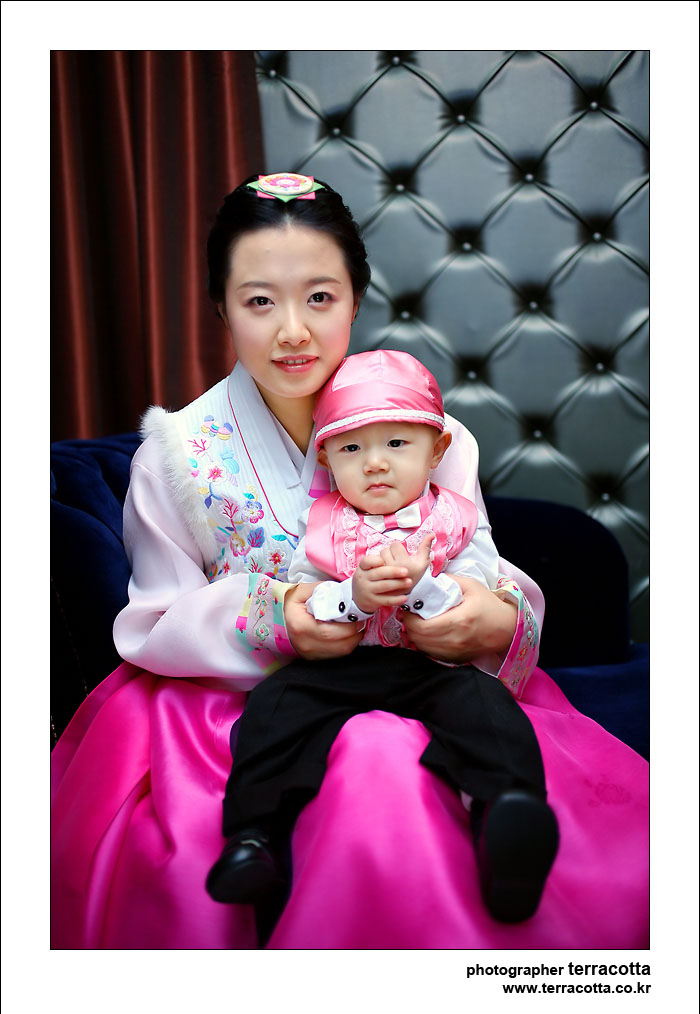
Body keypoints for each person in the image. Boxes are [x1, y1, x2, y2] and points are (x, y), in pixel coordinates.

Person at [51, 171, 649, 949]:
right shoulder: (176, 456)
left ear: (357, 301)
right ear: (221, 307)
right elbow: (155, 620)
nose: (292, 331)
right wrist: (281, 617)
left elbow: (479, 562)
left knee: (432, 749)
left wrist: (486, 618)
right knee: (369, 761)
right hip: (245, 703)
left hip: (430, 682)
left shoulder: (429, 432)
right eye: (259, 301)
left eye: (320, 297)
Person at [205, 350, 559, 924]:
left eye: (396, 444)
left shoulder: (457, 521)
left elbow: (473, 594)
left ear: (437, 450)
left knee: (486, 708)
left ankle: (507, 814)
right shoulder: (323, 523)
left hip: (431, 666)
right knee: (274, 706)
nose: (374, 464)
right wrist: (353, 597)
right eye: (351, 449)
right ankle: (253, 835)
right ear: (326, 457)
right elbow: (305, 595)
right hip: (339, 667)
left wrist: (423, 589)